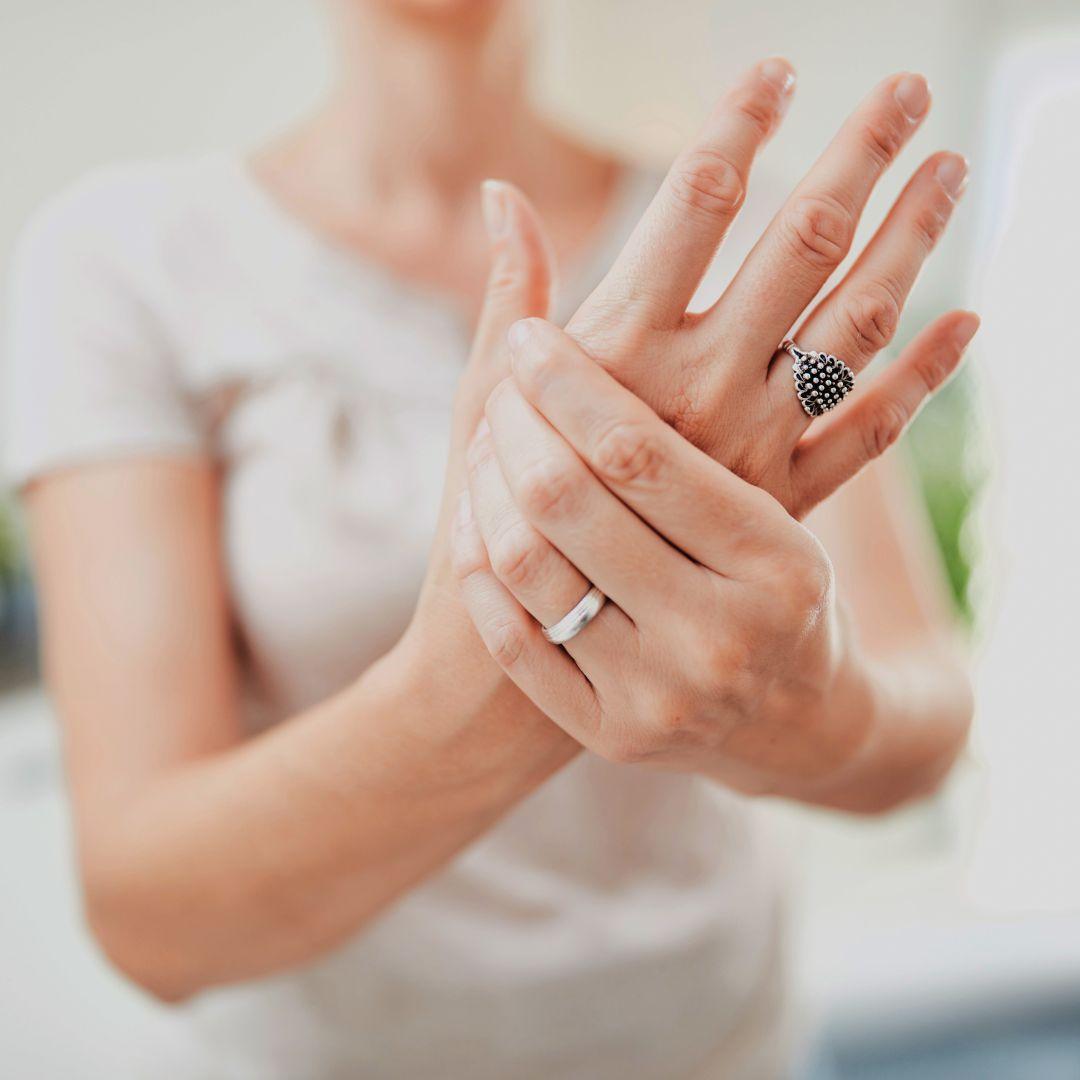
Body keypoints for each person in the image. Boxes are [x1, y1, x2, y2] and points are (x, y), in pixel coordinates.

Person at [4, 1, 976, 1077]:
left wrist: (794, 708)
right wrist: (502, 667)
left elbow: (926, 720)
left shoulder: (745, 243)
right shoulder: (126, 263)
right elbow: (151, 918)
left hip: (725, 1046)